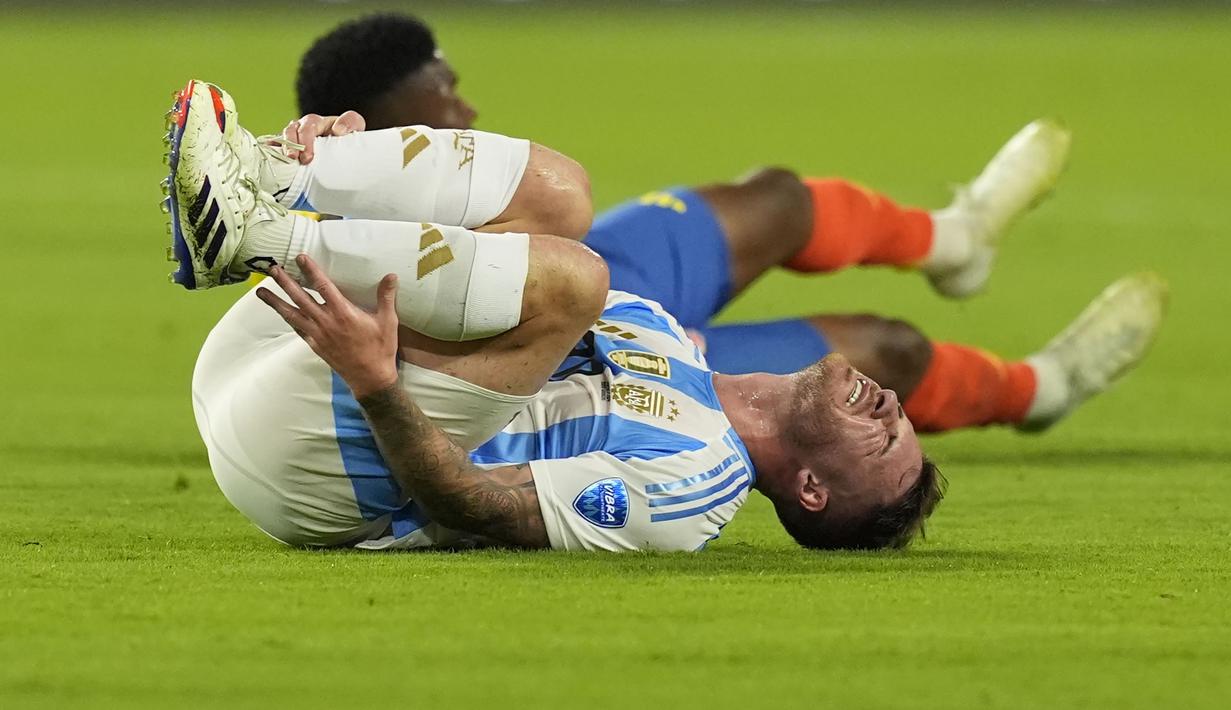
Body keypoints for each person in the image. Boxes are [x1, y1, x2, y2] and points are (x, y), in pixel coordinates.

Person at [286, 12, 1165, 435]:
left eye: (455, 84)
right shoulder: (336, 238)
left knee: (778, 198)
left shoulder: (439, 170)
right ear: (371, 129)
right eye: (443, 107)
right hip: (577, 356)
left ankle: (956, 239)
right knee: (886, 351)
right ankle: (1037, 391)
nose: (470, 111)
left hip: (597, 267)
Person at [165, 80, 944, 551]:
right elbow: (480, 251)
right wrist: (348, 174)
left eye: (886, 443)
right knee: (563, 196)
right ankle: (268, 181)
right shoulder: (666, 338)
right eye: (902, 417)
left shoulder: (692, 491)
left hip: (316, 467)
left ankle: (255, 234)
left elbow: (475, 505)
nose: (890, 408)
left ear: (811, 490)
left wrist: (378, 387)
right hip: (262, 353)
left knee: (574, 281)